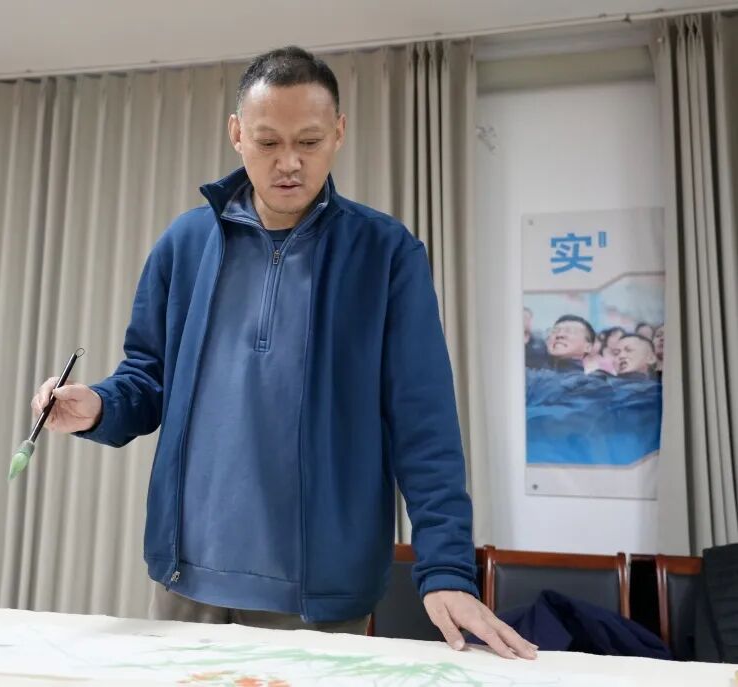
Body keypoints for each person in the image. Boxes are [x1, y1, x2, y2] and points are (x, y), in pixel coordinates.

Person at [31, 47, 534, 659]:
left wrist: (446, 570)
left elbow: (423, 425)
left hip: (319, 594)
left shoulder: (385, 254)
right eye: (268, 142)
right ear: (236, 134)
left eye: (309, 142)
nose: (289, 162)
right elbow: (148, 378)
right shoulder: (186, 243)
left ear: (339, 133)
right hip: (186, 579)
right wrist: (98, 406)